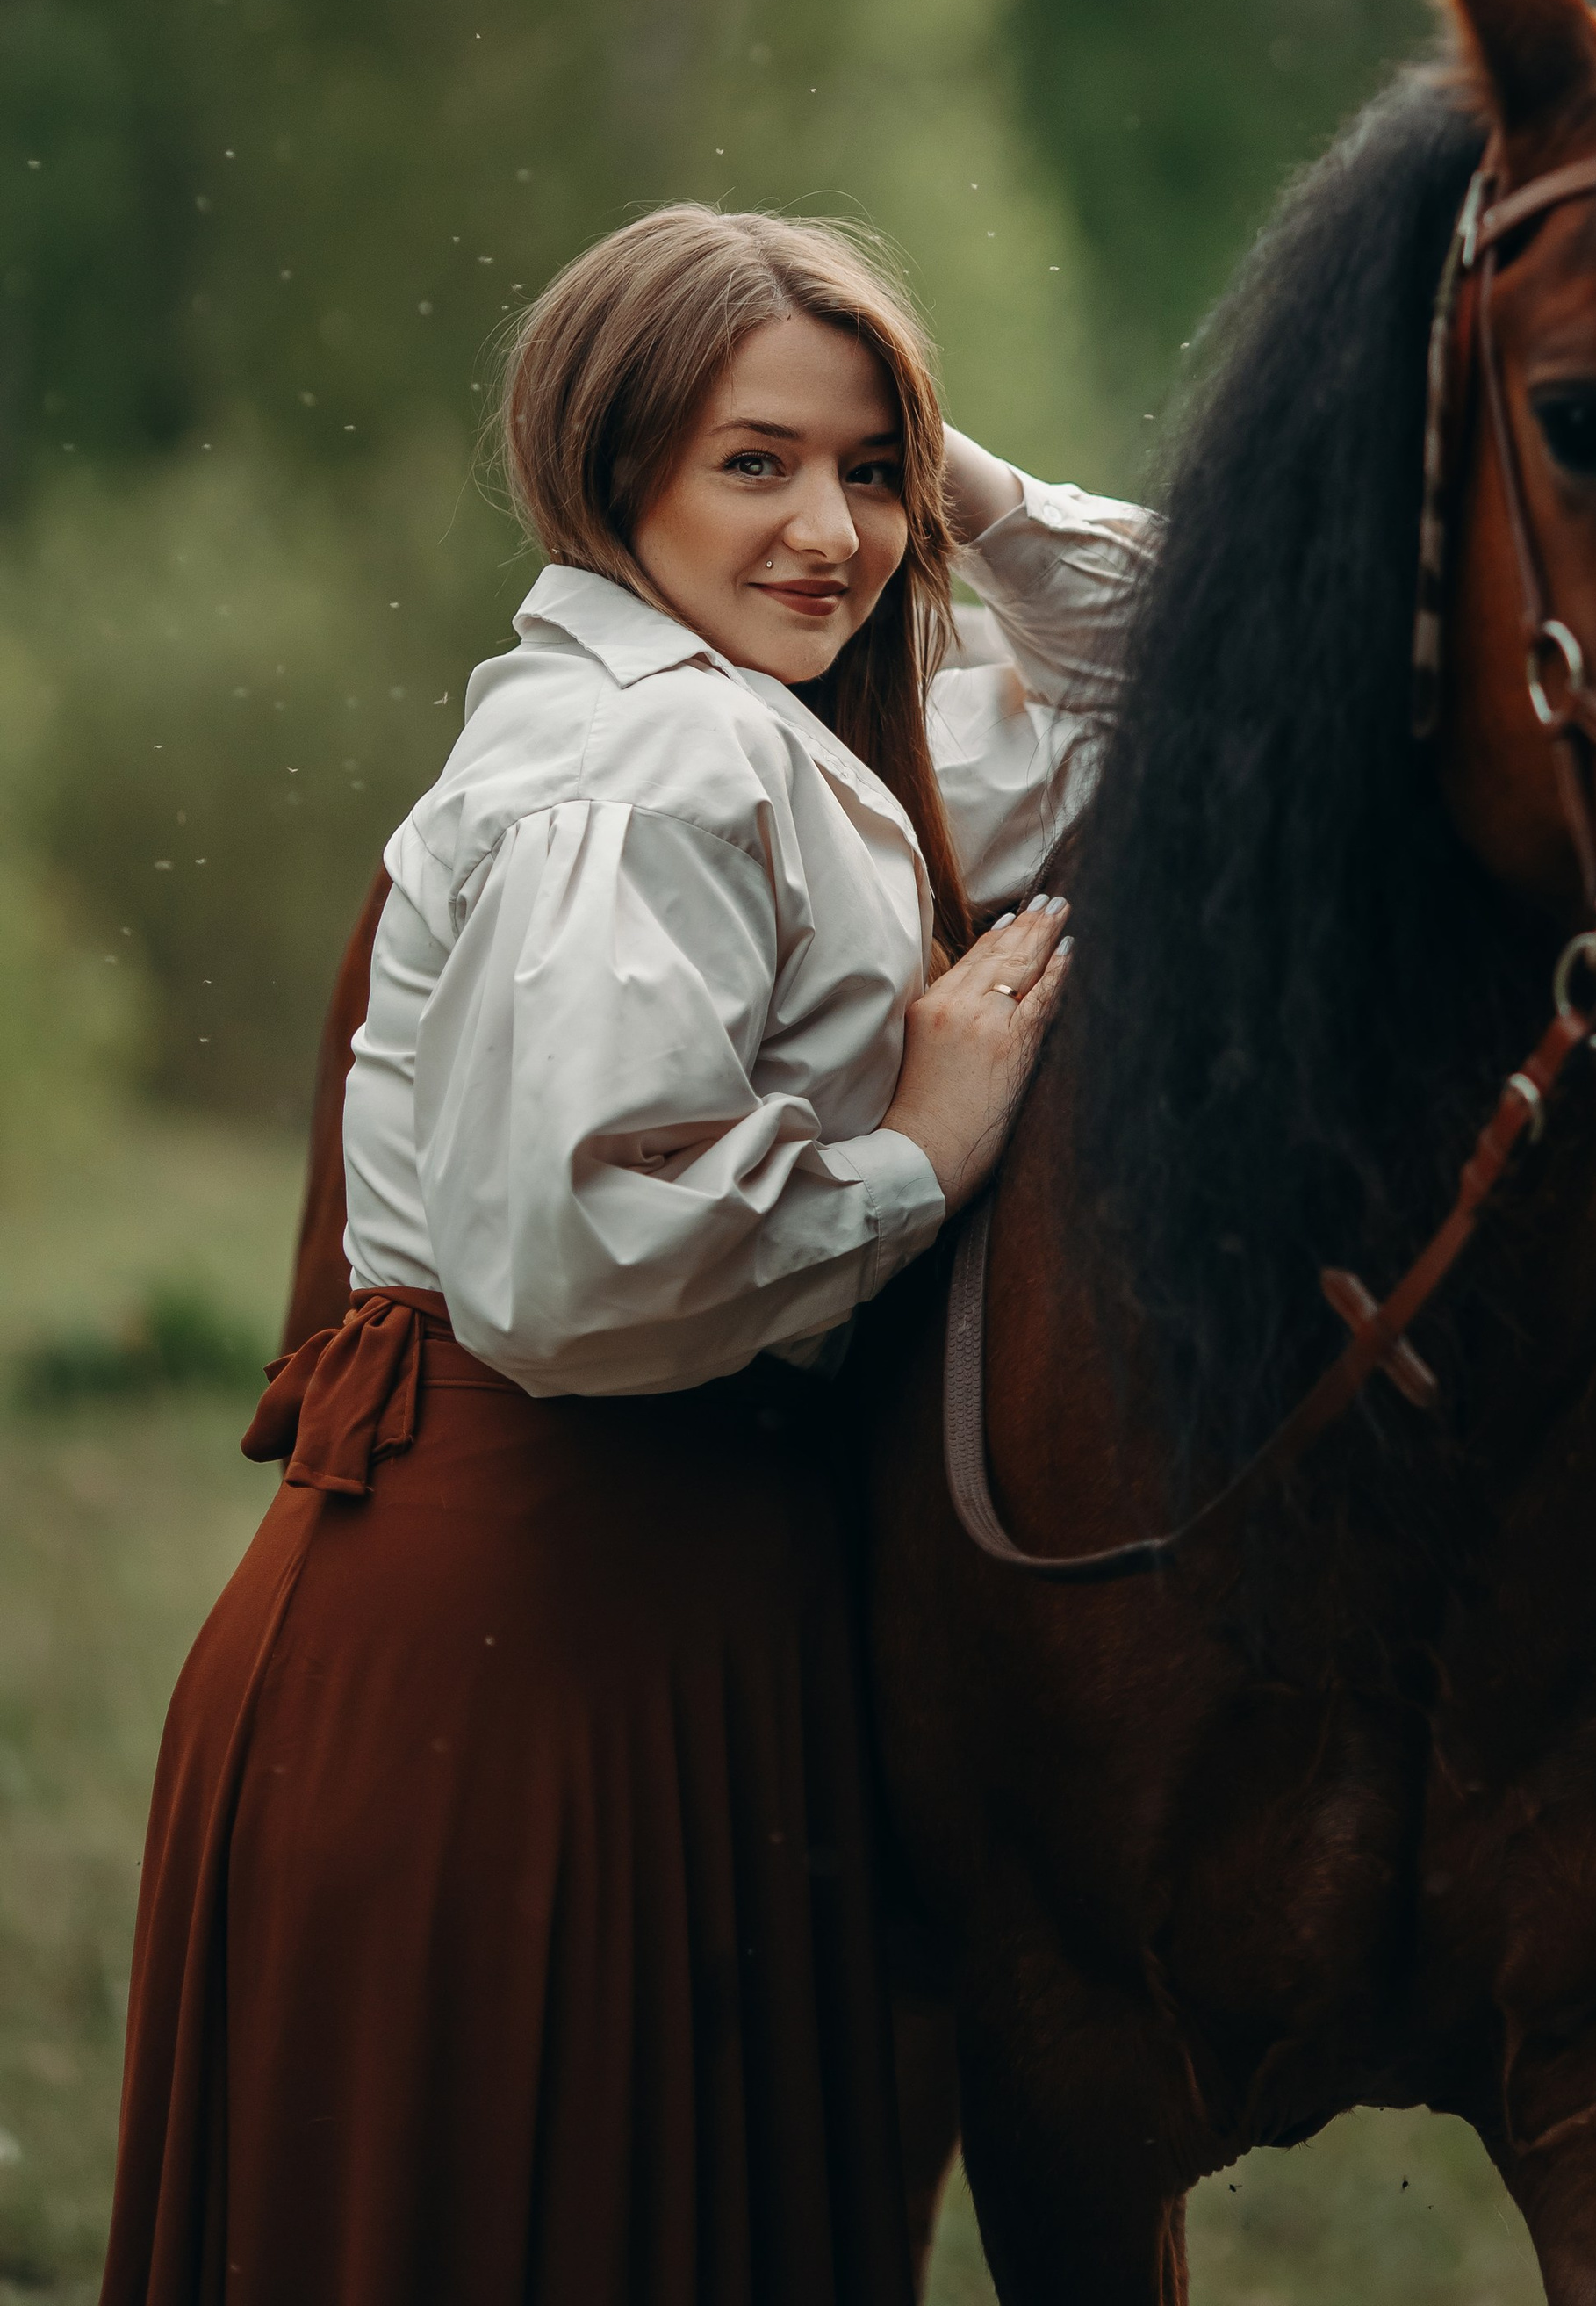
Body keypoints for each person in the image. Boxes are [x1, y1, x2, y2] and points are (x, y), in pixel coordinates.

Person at [100, 205, 1154, 2306]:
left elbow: (1202, 655)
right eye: (747, 462)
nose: (828, 532)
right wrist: (919, 1158)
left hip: (630, 1625)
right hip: (531, 1641)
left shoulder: (775, 724)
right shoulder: (653, 755)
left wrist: (966, 483)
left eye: (864, 472)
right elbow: (576, 1275)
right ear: (613, 471)